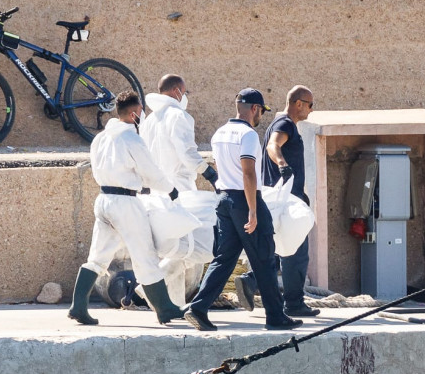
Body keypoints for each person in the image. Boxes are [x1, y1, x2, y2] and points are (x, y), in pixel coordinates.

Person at [182, 88, 302, 332]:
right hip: (245, 199)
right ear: (255, 109)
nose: (261, 117)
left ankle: (198, 307)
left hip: (224, 200)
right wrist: (253, 210)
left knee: (224, 259)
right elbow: (248, 173)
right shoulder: (247, 135)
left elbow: (223, 168)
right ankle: (276, 316)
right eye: (261, 112)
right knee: (265, 257)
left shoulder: (220, 133)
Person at [67, 89, 186, 326]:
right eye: (141, 111)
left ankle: (78, 306)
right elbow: (150, 170)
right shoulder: (131, 138)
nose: (142, 114)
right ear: (133, 114)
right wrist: (170, 189)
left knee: (98, 256)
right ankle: (165, 309)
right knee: (145, 255)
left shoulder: (101, 138)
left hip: (103, 199)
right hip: (126, 203)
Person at [234, 85, 321, 318]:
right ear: (298, 104)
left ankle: (251, 280)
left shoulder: (277, 123)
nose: (312, 110)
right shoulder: (284, 125)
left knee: (277, 246)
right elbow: (274, 145)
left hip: (274, 197)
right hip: (287, 199)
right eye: (310, 105)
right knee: (296, 251)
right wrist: (282, 164)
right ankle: (293, 302)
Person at [140, 74, 219, 306]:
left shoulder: (150, 121)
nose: (185, 97)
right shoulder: (179, 116)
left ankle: (173, 305)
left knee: (173, 249)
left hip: (157, 192)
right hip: (180, 191)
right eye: (185, 92)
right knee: (188, 248)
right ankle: (147, 287)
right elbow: (187, 152)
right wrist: (210, 174)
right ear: (177, 92)